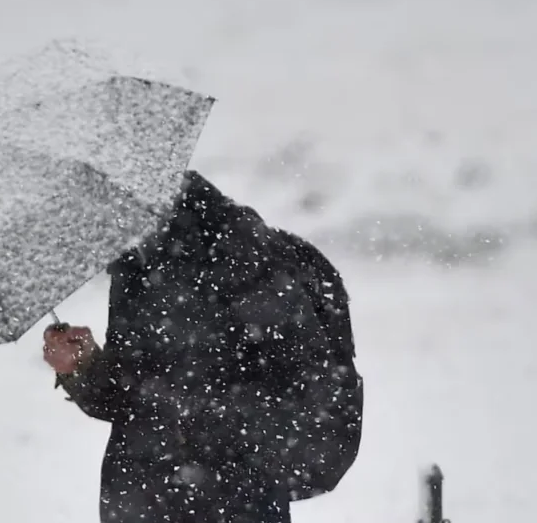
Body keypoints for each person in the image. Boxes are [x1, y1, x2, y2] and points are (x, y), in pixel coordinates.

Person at [42, 171, 363, 523]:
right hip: (142, 500)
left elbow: (306, 399)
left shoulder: (246, 259)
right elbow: (131, 401)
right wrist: (85, 366)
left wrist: (195, 410)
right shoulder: (136, 266)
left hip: (235, 503)